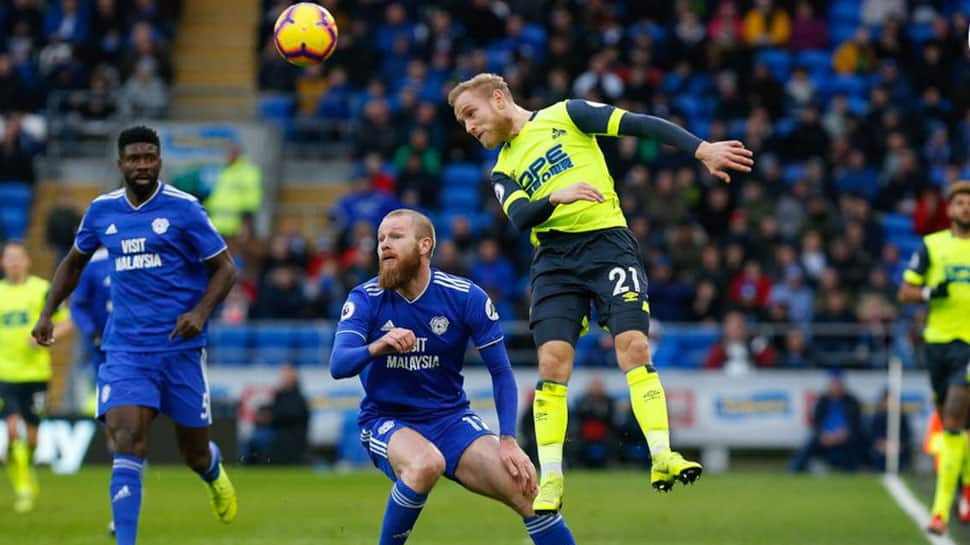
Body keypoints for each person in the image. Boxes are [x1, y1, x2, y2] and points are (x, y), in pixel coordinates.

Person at [448, 73, 753, 510]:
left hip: (607, 243)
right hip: (554, 260)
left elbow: (638, 123)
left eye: (471, 114)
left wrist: (701, 149)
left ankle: (662, 454)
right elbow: (520, 216)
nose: (469, 127)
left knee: (633, 344)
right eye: (462, 122)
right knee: (552, 362)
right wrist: (557, 196)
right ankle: (551, 478)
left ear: (498, 99)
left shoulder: (566, 115)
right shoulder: (502, 169)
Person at [31, 126, 239, 545]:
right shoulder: (102, 211)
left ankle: (212, 471)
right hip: (125, 348)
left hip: (180, 349)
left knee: (193, 453)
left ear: (160, 161)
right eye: (134, 158)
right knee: (128, 439)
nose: (142, 165)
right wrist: (47, 312)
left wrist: (200, 312)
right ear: (120, 163)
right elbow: (73, 263)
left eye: (150, 157)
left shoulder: (185, 209)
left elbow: (226, 268)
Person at [330, 209, 577, 545]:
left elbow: (501, 372)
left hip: (450, 420)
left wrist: (507, 439)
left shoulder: (465, 297)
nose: (384, 245)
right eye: (381, 239)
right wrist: (378, 346)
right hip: (387, 418)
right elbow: (339, 364)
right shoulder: (365, 298)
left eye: (396, 236)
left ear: (424, 245)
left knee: (528, 490)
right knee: (426, 463)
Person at [898, 181, 970, 534]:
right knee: (951, 423)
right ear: (951, 208)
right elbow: (905, 291)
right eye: (960, 202)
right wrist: (929, 291)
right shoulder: (933, 245)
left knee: (954, 418)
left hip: (969, 346)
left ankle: (940, 511)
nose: (966, 208)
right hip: (937, 344)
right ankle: (968, 486)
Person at [0, 241, 72, 513]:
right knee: (12, 429)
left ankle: (25, 467)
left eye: (19, 258)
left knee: (32, 437)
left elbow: (67, 320)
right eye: (10, 258)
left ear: (27, 262)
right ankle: (23, 489)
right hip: (5, 374)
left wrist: (48, 337)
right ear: (3, 262)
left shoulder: (42, 290)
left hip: (35, 374)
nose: (15, 263)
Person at [789, 369, 868, 473]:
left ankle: (855, 468)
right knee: (811, 440)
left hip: (845, 436)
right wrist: (823, 435)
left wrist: (843, 434)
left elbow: (856, 424)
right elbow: (816, 423)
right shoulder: (823, 401)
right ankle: (795, 469)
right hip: (825, 436)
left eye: (839, 383)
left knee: (857, 440)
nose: (837, 386)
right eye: (834, 383)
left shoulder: (852, 402)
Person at [69, 246, 112, 414]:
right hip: (102, 344)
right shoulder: (90, 266)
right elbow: (77, 306)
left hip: (132, 342)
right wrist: (92, 333)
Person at [268, 363, 309, 464]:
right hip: (279, 434)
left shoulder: (299, 397)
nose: (284, 377)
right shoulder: (279, 394)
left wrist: (272, 417)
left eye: (287, 374)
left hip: (293, 436)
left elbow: (295, 416)